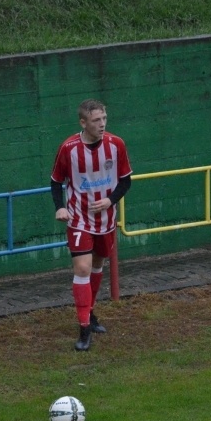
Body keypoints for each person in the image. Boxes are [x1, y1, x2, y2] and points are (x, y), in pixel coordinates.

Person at [51, 99, 132, 351]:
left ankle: (91, 312)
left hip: (106, 220)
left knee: (97, 265)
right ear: (83, 122)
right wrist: (60, 207)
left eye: (104, 118)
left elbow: (126, 181)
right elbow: (56, 181)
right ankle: (84, 328)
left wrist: (110, 200)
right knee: (82, 268)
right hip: (79, 219)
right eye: (96, 120)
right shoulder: (68, 148)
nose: (102, 124)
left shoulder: (116, 144)